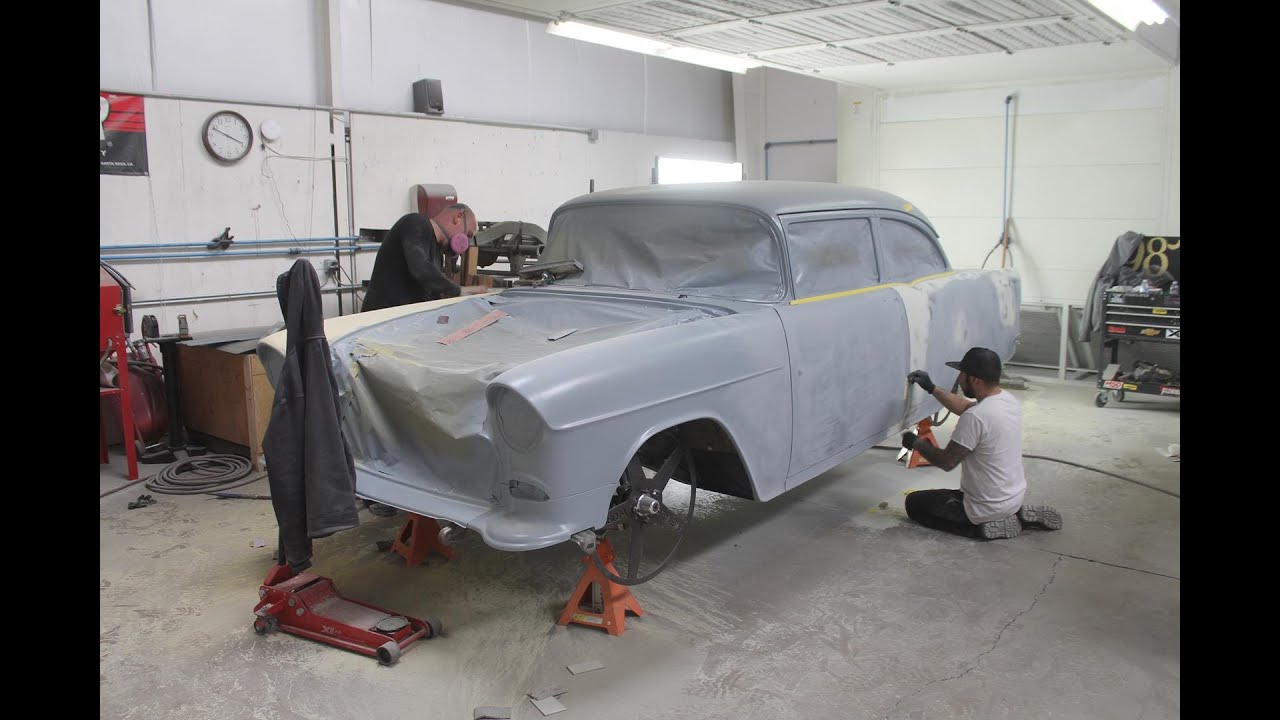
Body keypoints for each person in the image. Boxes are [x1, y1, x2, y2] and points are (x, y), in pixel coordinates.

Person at [900, 347, 1063, 540]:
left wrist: (916, 443)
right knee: (946, 497)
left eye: (962, 373)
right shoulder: (1007, 401)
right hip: (1012, 497)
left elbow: (946, 462)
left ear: (975, 379)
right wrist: (931, 388)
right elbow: (965, 406)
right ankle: (1016, 514)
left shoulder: (975, 418)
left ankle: (981, 529)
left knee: (914, 504)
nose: (959, 378)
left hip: (983, 507)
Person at [361, 204, 488, 313]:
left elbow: (431, 293)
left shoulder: (437, 255)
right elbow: (419, 267)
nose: (464, 243)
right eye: (468, 235)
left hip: (400, 323)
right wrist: (458, 290)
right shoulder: (416, 223)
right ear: (458, 217)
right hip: (380, 320)